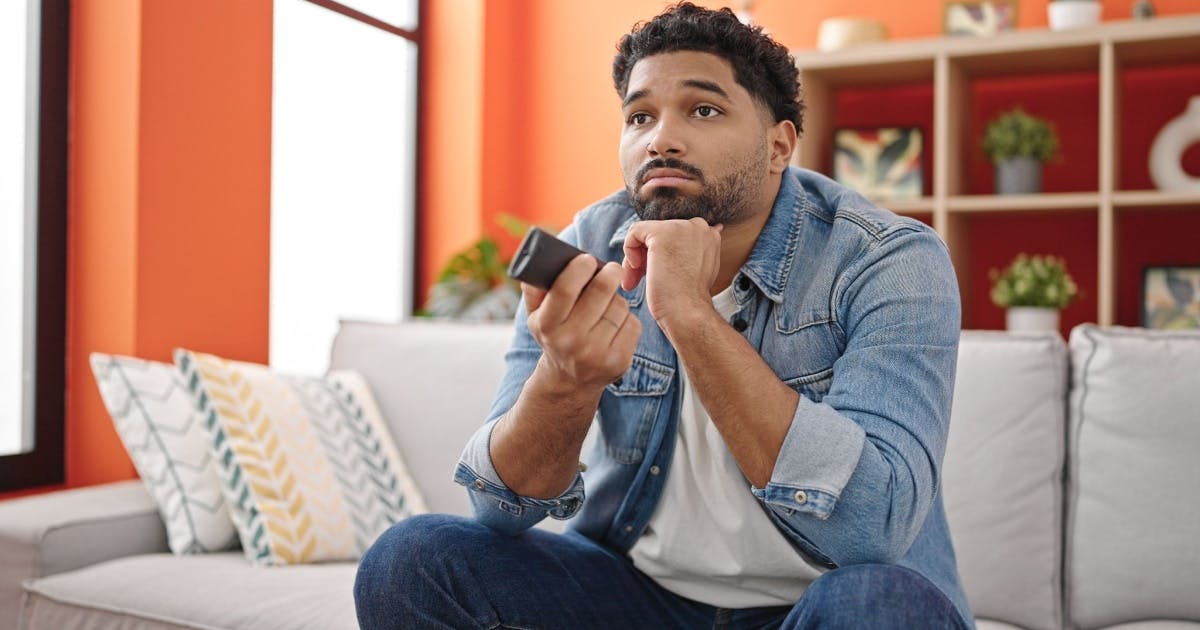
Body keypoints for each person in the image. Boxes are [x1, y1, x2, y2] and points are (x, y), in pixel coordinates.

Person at [354, 3, 972, 628]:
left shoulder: (886, 259)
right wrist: (566, 379)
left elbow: (876, 527)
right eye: (640, 116)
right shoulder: (590, 247)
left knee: (882, 608)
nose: (661, 138)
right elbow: (498, 511)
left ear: (778, 145)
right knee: (411, 561)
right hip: (636, 597)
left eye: (703, 110)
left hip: (817, 604)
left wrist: (691, 317)